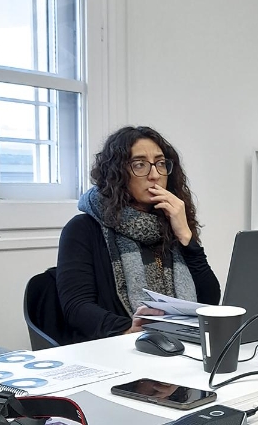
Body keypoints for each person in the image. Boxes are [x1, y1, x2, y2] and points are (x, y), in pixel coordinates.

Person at [57, 126, 220, 344]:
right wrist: (127, 328)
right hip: (113, 347)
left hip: (175, 344)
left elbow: (209, 300)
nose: (154, 175)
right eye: (139, 164)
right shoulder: (83, 228)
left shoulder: (171, 224)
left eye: (160, 164)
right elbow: (76, 306)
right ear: (118, 173)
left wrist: (186, 238)